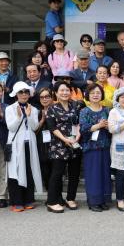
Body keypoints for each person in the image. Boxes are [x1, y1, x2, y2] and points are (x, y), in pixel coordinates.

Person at [46, 81, 82, 213]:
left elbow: (78, 123)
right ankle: (51, 202)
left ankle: (70, 198)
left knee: (74, 174)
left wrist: (78, 135)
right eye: (61, 90)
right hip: (59, 145)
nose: (65, 93)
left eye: (67, 90)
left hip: (75, 143)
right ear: (56, 93)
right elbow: (52, 127)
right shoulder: (52, 108)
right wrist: (64, 139)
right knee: (57, 174)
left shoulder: (75, 106)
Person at [5, 82, 42, 212]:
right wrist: (19, 117)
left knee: (29, 170)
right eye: (21, 92)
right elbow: (11, 127)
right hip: (15, 144)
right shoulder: (10, 108)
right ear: (16, 94)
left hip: (29, 143)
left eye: (26, 92)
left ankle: (29, 199)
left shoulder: (34, 109)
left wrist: (29, 115)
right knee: (15, 171)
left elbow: (34, 127)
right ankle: (16, 201)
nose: (24, 94)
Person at [79, 84, 112, 212]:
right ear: (88, 95)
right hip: (91, 148)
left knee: (105, 174)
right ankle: (93, 202)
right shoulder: (84, 111)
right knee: (93, 175)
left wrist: (108, 126)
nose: (95, 95)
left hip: (105, 146)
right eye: (92, 93)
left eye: (98, 92)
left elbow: (111, 127)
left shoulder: (107, 110)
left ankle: (103, 200)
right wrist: (99, 125)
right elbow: (83, 129)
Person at [35, 87, 54, 190]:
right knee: (45, 169)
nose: (44, 99)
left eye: (47, 96)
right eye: (42, 97)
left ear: (52, 97)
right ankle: (49, 189)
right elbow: (33, 131)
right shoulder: (37, 113)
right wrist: (42, 121)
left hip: (55, 145)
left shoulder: (57, 110)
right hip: (41, 145)